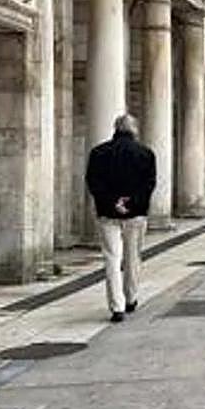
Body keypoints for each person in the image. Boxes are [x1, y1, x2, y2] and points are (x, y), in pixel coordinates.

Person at [85, 113, 157, 323]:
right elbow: (149, 184)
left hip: (108, 213)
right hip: (135, 214)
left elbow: (93, 182)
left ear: (115, 129)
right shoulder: (146, 153)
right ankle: (131, 298)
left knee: (111, 259)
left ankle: (116, 307)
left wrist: (113, 202)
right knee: (133, 257)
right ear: (134, 130)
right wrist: (130, 203)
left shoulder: (98, 153)